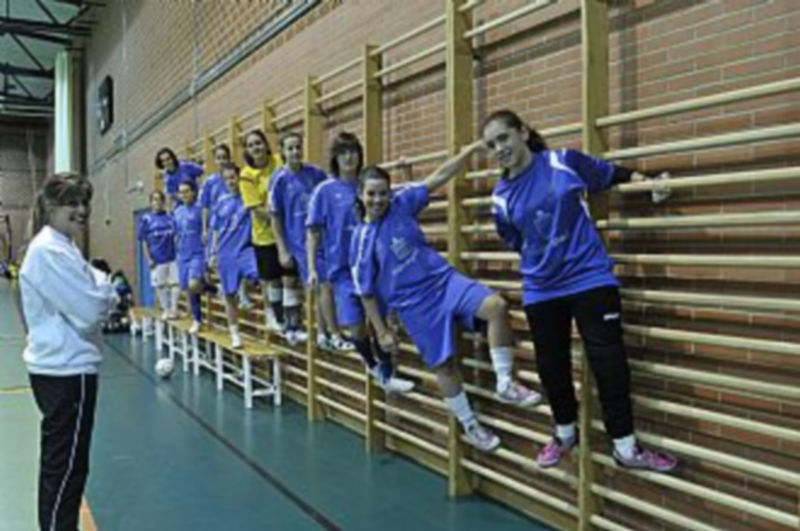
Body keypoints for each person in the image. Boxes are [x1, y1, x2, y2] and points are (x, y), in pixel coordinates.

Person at [482, 108, 676, 471]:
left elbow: (608, 173)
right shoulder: (501, 198)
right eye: (491, 145)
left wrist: (647, 183)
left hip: (590, 278)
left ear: (523, 132)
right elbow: (514, 239)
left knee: (609, 363)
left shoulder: (562, 162)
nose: (499, 149)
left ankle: (625, 447)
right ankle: (564, 433)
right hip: (541, 288)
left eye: (503, 138)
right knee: (551, 366)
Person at [350, 143, 541, 452]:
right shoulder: (361, 239)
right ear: (360, 195)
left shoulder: (402, 204)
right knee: (445, 366)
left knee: (495, 307)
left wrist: (470, 150)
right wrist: (382, 332)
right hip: (414, 306)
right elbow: (366, 292)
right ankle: (470, 425)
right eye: (371, 194)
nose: (377, 199)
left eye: (382, 192)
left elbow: (440, 175)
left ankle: (505, 382)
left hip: (444, 281)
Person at [18, 173, 118, 531]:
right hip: (65, 372)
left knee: (67, 465)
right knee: (66, 468)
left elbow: (98, 282)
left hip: (68, 369)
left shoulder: (65, 246)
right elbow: (92, 310)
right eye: (71, 203)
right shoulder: (48, 251)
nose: (81, 210)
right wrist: (106, 294)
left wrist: (101, 289)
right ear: (50, 206)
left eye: (84, 202)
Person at [307, 132, 414, 392]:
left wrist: (406, 173)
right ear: (335, 157)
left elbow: (399, 201)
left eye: (353, 150)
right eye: (343, 152)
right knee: (355, 329)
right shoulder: (325, 190)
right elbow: (313, 231)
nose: (349, 156)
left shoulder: (367, 185)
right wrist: (311, 267)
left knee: (380, 325)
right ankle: (373, 366)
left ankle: (387, 374)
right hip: (342, 270)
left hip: (373, 267)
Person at [270, 132, 350, 350]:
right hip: (299, 242)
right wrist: (282, 249)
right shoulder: (278, 180)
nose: (295, 152)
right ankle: (331, 334)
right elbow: (275, 218)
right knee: (321, 284)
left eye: (298, 147)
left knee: (324, 285)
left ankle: (323, 333)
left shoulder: (315, 174)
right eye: (290, 148)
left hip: (323, 236)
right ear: (283, 152)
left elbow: (334, 188)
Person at [239, 129, 302, 340]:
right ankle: (277, 318)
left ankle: (293, 324)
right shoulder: (247, 176)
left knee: (290, 281)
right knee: (273, 282)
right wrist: (280, 219)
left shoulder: (278, 161)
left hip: (288, 236)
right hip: (264, 236)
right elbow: (256, 209)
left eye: (259, 142)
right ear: (247, 150)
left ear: (266, 145)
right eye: (251, 145)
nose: (256, 147)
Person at [209, 162, 261, 349]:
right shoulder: (220, 203)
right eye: (227, 178)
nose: (231, 181)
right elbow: (214, 230)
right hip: (225, 253)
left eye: (233, 177)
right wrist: (212, 253)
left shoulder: (248, 198)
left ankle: (244, 288)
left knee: (262, 274)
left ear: (239, 177)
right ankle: (235, 334)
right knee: (229, 296)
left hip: (245, 249)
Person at [138, 190, 180, 320]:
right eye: (154, 200)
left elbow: (177, 236)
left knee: (175, 283)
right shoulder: (146, 219)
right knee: (160, 284)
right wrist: (148, 258)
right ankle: (166, 309)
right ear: (151, 203)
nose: (158, 202)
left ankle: (174, 309)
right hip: (157, 259)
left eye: (160, 199)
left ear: (163, 201)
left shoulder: (170, 218)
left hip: (172, 257)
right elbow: (143, 241)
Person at [174, 181, 207, 334]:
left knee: (194, 284)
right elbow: (176, 233)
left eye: (187, 191)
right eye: (181, 192)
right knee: (187, 288)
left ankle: (212, 289)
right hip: (182, 254)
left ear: (194, 192)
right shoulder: (178, 211)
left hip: (197, 252)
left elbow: (207, 231)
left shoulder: (201, 209)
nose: (184, 195)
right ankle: (197, 319)